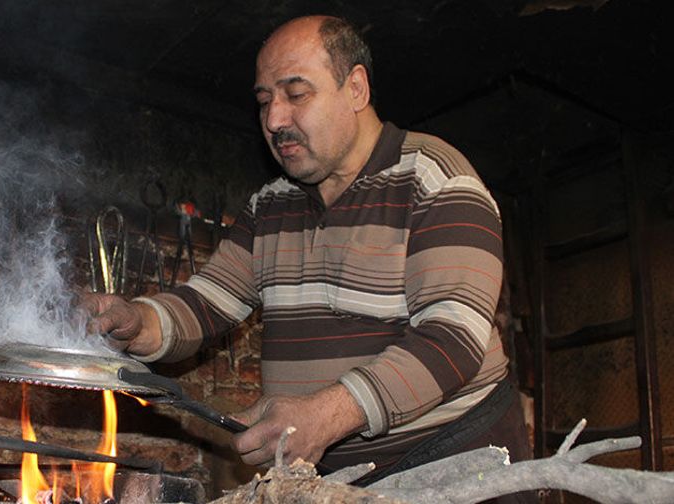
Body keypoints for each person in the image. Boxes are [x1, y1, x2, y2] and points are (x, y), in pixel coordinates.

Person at [83, 15, 532, 498]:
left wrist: (324, 415)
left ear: (355, 88)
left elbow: (451, 338)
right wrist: (137, 320)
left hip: (455, 466)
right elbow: (204, 303)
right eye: (263, 102)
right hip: (333, 480)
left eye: (296, 94)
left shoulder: (436, 180)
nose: (274, 120)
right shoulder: (272, 205)